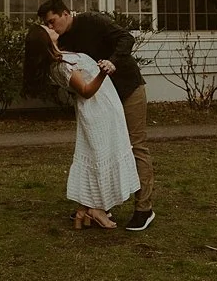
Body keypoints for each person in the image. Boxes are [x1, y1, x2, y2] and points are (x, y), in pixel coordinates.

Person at [37, 0, 155, 232]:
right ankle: (99, 205)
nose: (51, 28)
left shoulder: (93, 21)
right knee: (102, 150)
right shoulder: (61, 41)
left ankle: (144, 209)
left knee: (135, 146)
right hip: (101, 101)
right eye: (47, 25)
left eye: (52, 22)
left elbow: (126, 38)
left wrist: (112, 62)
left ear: (66, 13)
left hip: (127, 90)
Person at [22, 23, 139, 229]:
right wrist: (104, 72)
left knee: (103, 155)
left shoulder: (64, 55)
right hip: (96, 112)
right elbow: (85, 90)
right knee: (100, 157)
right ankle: (97, 209)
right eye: (46, 28)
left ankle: (86, 210)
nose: (51, 27)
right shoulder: (60, 66)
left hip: (106, 105)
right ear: (45, 39)